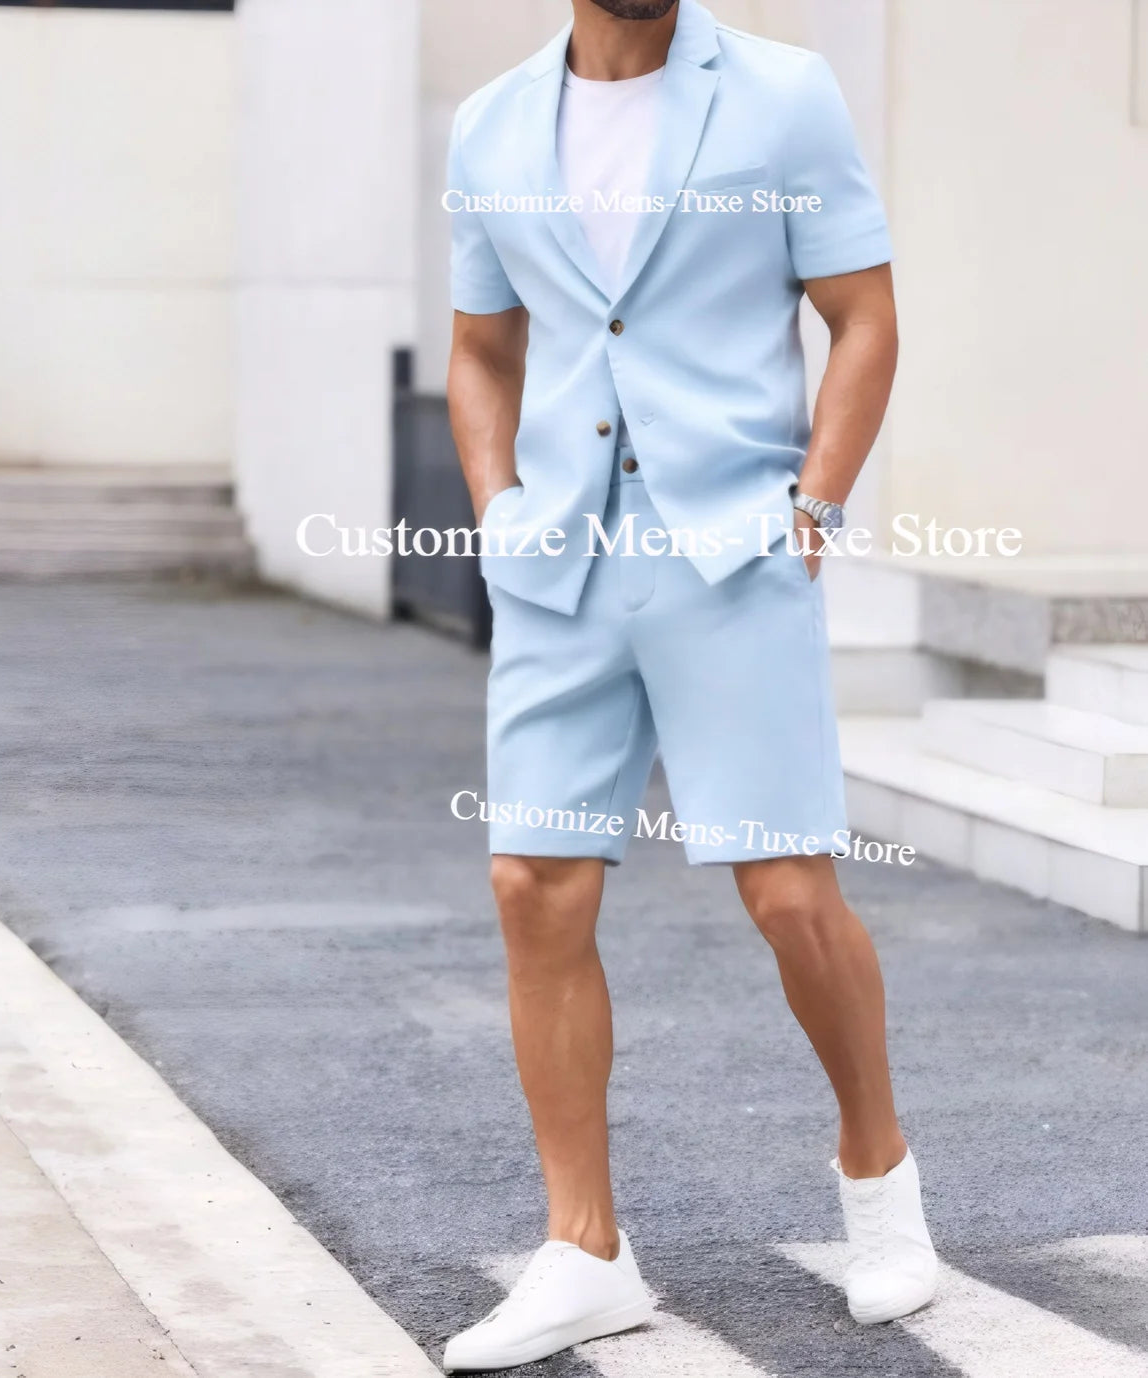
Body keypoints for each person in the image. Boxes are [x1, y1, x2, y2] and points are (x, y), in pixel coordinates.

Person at [442, 0, 937, 1369]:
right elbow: (480, 346)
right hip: (560, 560)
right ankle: (583, 1249)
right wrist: (496, 512)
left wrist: (814, 508)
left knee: (787, 889)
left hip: (732, 551)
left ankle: (880, 1179)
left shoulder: (782, 96)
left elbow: (863, 316)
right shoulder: (490, 125)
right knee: (532, 882)